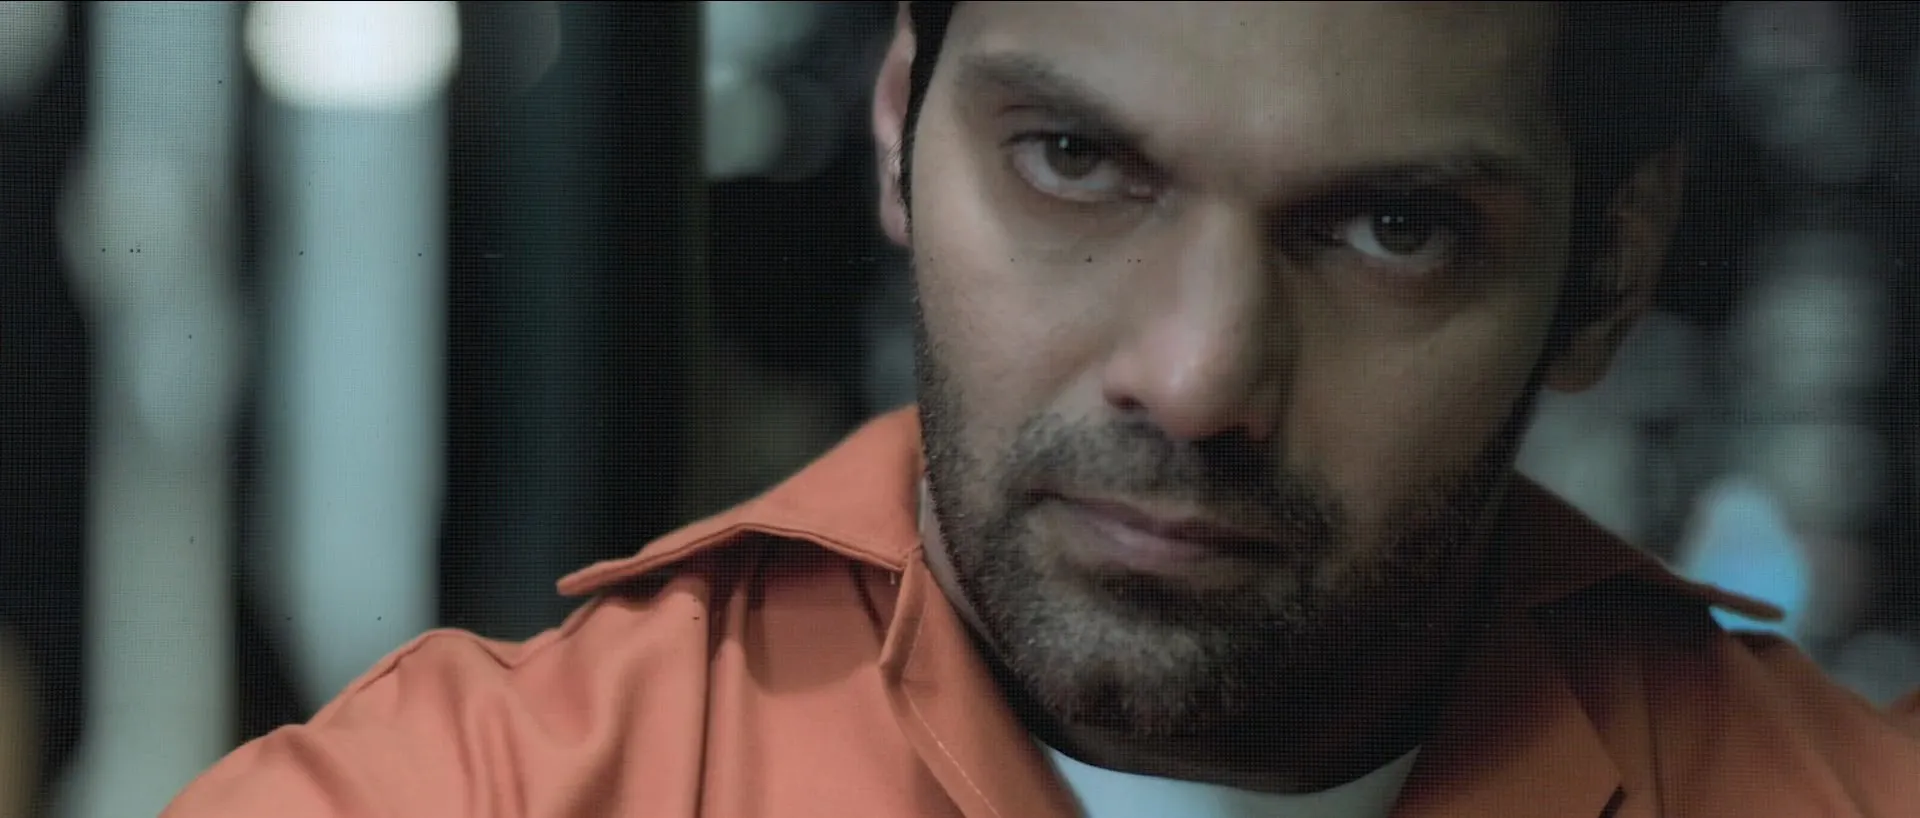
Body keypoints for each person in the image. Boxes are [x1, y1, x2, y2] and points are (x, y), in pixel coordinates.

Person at [165, 3, 1920, 816]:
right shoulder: (473, 797)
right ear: (897, 133)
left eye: (1394, 227)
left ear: (1611, 267)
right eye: (1074, 159)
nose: (1198, 376)